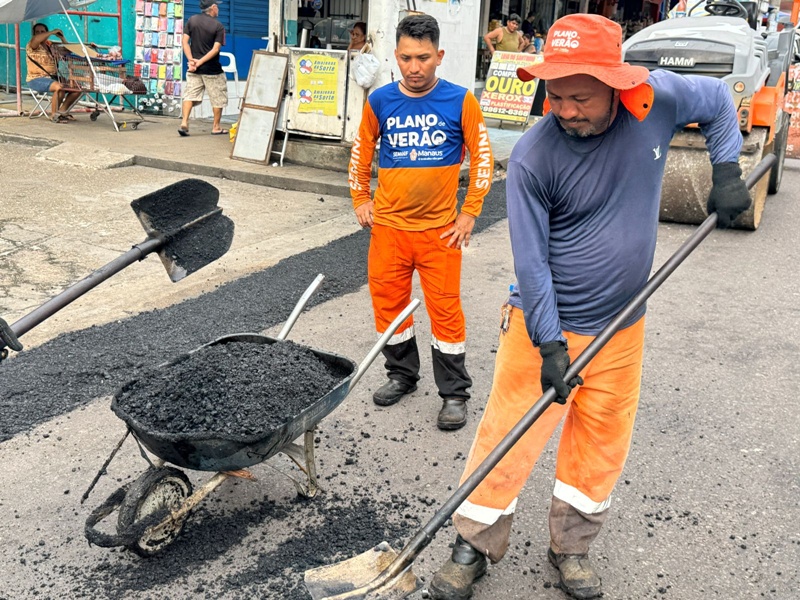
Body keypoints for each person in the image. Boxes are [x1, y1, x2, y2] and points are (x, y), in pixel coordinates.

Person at [428, 13, 750, 600]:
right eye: (554, 96)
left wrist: (726, 169)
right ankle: (472, 543)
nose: (566, 110)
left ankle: (571, 545)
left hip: (623, 327)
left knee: (601, 442)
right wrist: (550, 344)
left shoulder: (660, 97)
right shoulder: (532, 156)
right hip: (543, 327)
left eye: (580, 97)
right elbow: (531, 265)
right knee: (509, 435)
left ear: (617, 85)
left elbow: (723, 104)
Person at [348, 14, 494, 431]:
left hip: (440, 233)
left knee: (446, 313)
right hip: (389, 232)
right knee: (389, 308)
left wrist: (470, 212)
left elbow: (483, 157)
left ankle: (453, 394)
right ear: (395, 56)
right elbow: (362, 152)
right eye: (407, 58)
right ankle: (401, 375)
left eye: (424, 58)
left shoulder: (460, 100)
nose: (415, 67)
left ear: (439, 56)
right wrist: (360, 198)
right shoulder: (380, 101)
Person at [179, 0, 227, 136]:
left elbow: (185, 42)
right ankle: (216, 127)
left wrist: (191, 61)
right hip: (212, 69)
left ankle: (184, 122)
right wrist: (199, 62)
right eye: (217, 6)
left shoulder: (192, 20)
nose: (218, 9)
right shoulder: (219, 26)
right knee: (217, 97)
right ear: (213, 8)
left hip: (193, 69)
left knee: (190, 94)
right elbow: (216, 49)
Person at [25, 23, 82, 123]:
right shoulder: (32, 45)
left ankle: (62, 112)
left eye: (42, 31)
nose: (40, 34)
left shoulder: (50, 45)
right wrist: (51, 32)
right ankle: (54, 115)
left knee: (77, 87)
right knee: (58, 87)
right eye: (37, 32)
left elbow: (68, 51)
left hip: (53, 77)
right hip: (36, 79)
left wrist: (62, 38)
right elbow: (37, 39)